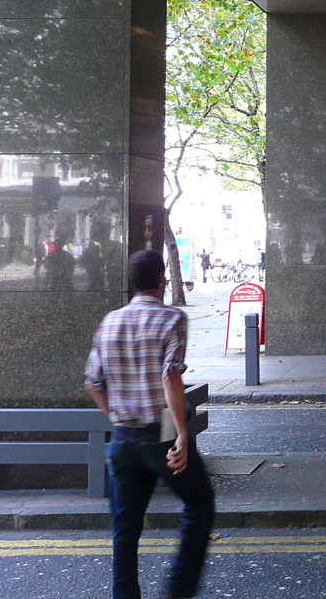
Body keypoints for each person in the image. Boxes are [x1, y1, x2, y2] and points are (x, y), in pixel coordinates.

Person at [84, 250, 215, 599]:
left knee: (124, 531)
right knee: (200, 505)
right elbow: (170, 377)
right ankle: (176, 592)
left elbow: (92, 382)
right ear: (161, 280)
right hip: (161, 438)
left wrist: (115, 417)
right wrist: (183, 435)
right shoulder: (172, 319)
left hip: (123, 441)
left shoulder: (109, 321)